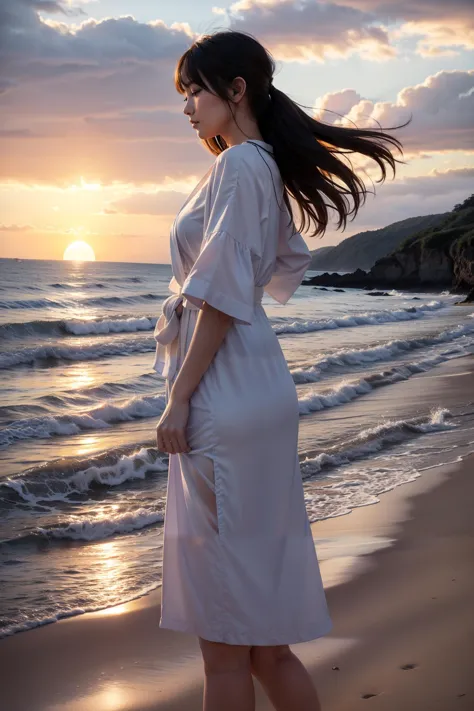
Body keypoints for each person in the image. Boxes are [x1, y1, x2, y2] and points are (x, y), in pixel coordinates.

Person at [153, 29, 405, 711]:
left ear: (236, 90)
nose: (187, 108)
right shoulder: (254, 166)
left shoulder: (239, 167)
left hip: (225, 395)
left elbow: (224, 294)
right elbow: (260, 274)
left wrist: (178, 396)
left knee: (227, 645)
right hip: (254, 392)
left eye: (195, 90)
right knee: (259, 640)